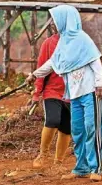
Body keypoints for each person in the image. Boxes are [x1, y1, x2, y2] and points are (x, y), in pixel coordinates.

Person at [26, 5, 102, 182]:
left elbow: (95, 59)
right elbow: (51, 63)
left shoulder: (82, 39)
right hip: (75, 94)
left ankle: (96, 168)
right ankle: (81, 168)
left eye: (57, 19)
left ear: (66, 20)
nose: (55, 23)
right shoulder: (63, 43)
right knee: (77, 130)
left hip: (92, 91)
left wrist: (100, 83)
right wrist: (34, 75)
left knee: (92, 128)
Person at [30, 21, 71, 170]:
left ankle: (58, 162)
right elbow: (42, 68)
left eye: (57, 22)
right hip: (52, 90)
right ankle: (42, 155)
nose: (54, 25)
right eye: (52, 23)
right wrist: (36, 93)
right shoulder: (48, 43)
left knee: (67, 128)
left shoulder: (75, 43)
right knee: (53, 120)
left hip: (71, 92)